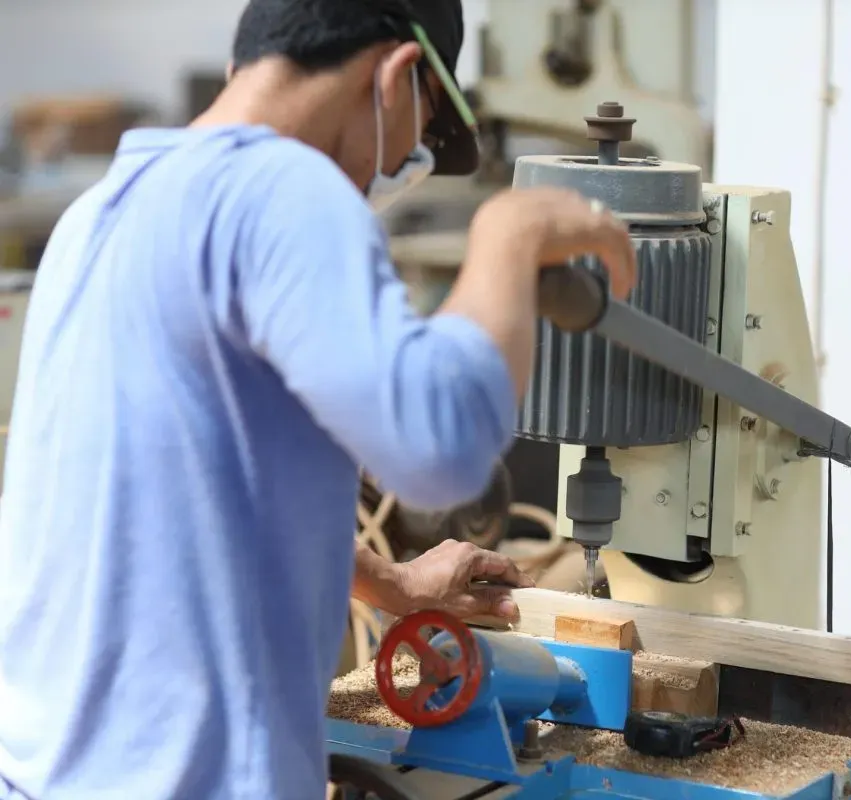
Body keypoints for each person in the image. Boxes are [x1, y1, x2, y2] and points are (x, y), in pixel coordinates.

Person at [0, 0, 636, 797]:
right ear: (400, 77)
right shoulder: (283, 183)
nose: (406, 166)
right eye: (426, 133)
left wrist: (391, 585)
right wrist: (509, 236)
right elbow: (440, 447)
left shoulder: (101, 212)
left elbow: (190, 501)